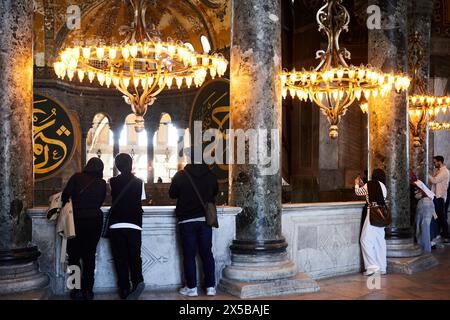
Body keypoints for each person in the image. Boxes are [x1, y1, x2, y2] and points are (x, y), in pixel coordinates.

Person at [169, 148, 219, 297]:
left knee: (189, 254)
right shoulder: (210, 175)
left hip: (187, 221)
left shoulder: (181, 175)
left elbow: (172, 194)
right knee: (206, 253)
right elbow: (215, 192)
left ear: (189, 158)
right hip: (205, 220)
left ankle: (191, 288)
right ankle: (210, 287)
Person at [62, 157, 107, 300]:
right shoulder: (102, 183)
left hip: (76, 220)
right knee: (89, 256)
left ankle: (75, 290)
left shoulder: (76, 177)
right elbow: (100, 201)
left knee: (74, 256)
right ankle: (88, 291)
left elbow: (65, 196)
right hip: (94, 220)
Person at [108, 153, 146, 300]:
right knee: (135, 256)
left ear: (117, 166)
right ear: (131, 164)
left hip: (116, 223)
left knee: (120, 258)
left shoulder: (112, 181)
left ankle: (124, 288)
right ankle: (138, 281)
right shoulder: (139, 182)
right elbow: (140, 200)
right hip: (134, 223)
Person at [355, 169, 388, 276]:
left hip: (372, 213)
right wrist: (363, 184)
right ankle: (382, 267)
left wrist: (356, 184)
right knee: (380, 242)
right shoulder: (383, 186)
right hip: (382, 214)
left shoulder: (370, 184)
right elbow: (374, 192)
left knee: (365, 240)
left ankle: (372, 268)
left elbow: (358, 192)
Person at [428, 156, 450, 243]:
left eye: (435, 162)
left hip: (440, 197)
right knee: (439, 216)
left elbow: (434, 180)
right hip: (436, 196)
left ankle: (447, 235)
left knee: (441, 217)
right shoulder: (439, 171)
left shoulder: (444, 172)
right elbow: (432, 181)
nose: (434, 164)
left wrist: (427, 174)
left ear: (439, 162)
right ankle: (441, 233)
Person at [413, 180, 435, 253]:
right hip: (428, 203)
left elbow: (417, 195)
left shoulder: (416, 184)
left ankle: (425, 249)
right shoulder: (420, 183)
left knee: (422, 228)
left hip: (424, 203)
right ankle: (426, 248)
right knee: (425, 228)